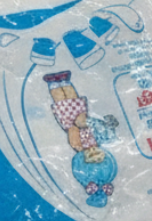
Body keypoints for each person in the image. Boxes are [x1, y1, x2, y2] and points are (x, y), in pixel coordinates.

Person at [43, 71, 119, 206]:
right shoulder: (105, 165)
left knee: (62, 106)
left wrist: (76, 129)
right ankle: (64, 82)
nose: (94, 153)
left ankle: (54, 84)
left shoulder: (79, 149)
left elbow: (73, 137)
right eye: (98, 156)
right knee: (75, 104)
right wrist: (89, 125)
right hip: (84, 124)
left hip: (73, 129)